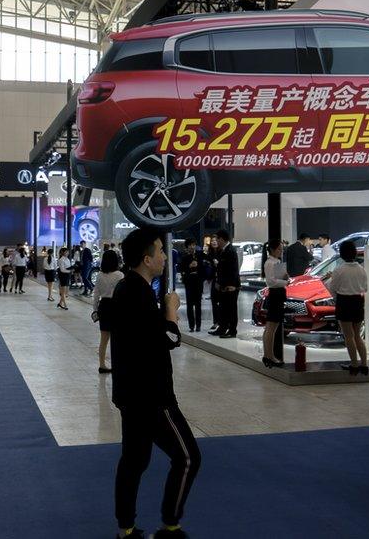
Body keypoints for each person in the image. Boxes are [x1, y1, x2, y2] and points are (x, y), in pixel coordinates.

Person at [111, 228, 199, 539]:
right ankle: (170, 525)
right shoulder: (137, 293)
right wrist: (172, 311)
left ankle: (127, 529)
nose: (165, 256)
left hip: (131, 392)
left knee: (135, 460)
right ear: (147, 259)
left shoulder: (129, 288)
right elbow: (166, 338)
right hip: (152, 396)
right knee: (188, 457)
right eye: (161, 251)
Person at [324, 240, 369, 375]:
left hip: (344, 302)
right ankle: (364, 364)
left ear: (342, 254)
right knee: (357, 336)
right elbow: (365, 288)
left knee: (348, 336)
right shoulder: (362, 270)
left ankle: (354, 364)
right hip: (358, 302)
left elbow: (332, 289)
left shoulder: (339, 270)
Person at [93, 250, 124, 374]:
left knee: (103, 339)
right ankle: (118, 364)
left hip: (104, 306)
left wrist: (95, 309)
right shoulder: (120, 275)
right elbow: (122, 293)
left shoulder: (100, 275)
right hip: (116, 306)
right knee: (118, 339)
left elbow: (96, 294)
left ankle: (102, 365)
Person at [261, 239, 289, 368]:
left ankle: (269, 355)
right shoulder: (269, 263)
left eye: (282, 249)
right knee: (271, 327)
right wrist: (285, 282)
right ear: (272, 250)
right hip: (274, 295)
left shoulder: (277, 262)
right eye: (279, 249)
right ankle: (268, 355)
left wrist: (285, 278)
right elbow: (271, 282)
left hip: (279, 295)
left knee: (273, 327)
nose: (281, 251)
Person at [211, 230, 240, 339]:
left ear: (222, 239)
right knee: (223, 307)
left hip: (231, 286)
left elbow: (233, 270)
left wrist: (232, 285)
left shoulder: (230, 251)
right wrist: (219, 282)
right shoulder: (223, 250)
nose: (216, 241)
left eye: (217, 239)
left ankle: (232, 330)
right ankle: (222, 328)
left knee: (231, 309)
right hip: (224, 286)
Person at [179, 239, 206, 332]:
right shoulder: (184, 256)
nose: (192, 247)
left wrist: (198, 266)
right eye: (190, 245)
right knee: (189, 305)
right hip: (189, 283)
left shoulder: (199, 255)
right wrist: (189, 267)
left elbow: (203, 268)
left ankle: (198, 325)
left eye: (193, 244)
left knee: (198, 304)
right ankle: (191, 325)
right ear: (187, 246)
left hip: (198, 282)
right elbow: (181, 268)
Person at [206, 235, 221, 334]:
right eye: (212, 241)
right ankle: (216, 322)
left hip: (221, 279)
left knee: (221, 302)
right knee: (214, 301)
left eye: (215, 240)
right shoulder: (209, 254)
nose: (214, 242)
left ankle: (221, 322)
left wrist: (218, 264)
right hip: (213, 280)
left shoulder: (221, 252)